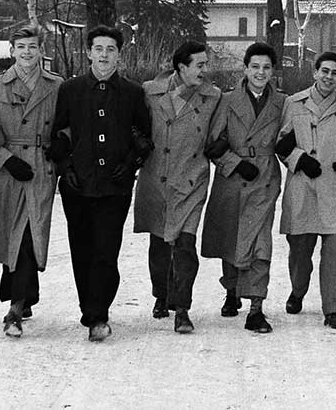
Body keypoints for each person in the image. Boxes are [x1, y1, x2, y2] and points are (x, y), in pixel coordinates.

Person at [48, 24, 151, 342]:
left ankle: (99, 313)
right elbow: (58, 134)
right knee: (82, 249)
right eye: (98, 49)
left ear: (119, 54)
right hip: (78, 186)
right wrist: (66, 168)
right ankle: (88, 306)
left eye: (111, 49)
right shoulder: (70, 89)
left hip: (114, 187)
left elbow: (145, 136)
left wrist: (131, 163)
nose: (104, 55)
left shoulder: (132, 93)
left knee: (107, 250)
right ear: (89, 52)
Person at [0, 25, 63, 337]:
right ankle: (24, 298)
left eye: (33, 47)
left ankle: (15, 308)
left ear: (41, 51)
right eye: (21, 47)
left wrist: (61, 143)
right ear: (12, 51)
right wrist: (5, 159)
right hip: (7, 172)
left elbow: (67, 125)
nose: (27, 52)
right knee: (11, 238)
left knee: (28, 236)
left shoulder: (55, 85)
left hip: (39, 168)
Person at [134, 40, 221, 334]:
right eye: (199, 64)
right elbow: (135, 124)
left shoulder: (213, 97)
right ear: (181, 67)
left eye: (205, 64)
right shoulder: (150, 92)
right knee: (159, 244)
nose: (204, 70)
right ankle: (162, 295)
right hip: (156, 177)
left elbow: (217, 133)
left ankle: (182, 308)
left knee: (185, 244)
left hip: (191, 180)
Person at [200, 42, 285, 333]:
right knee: (231, 236)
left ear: (273, 71)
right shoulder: (226, 100)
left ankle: (256, 308)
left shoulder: (282, 103)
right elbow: (212, 143)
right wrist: (234, 162)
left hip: (263, 179)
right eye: (255, 67)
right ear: (245, 68)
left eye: (266, 67)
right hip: (233, 178)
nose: (261, 72)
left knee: (260, 242)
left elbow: (289, 139)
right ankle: (231, 290)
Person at [276, 51, 336, 330]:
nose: (328, 77)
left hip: (334, 186)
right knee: (300, 249)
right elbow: (282, 143)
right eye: (324, 71)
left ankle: (334, 309)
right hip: (303, 184)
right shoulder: (294, 103)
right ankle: (298, 289)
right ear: (315, 72)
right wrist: (300, 159)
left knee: (335, 248)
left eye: (335, 73)